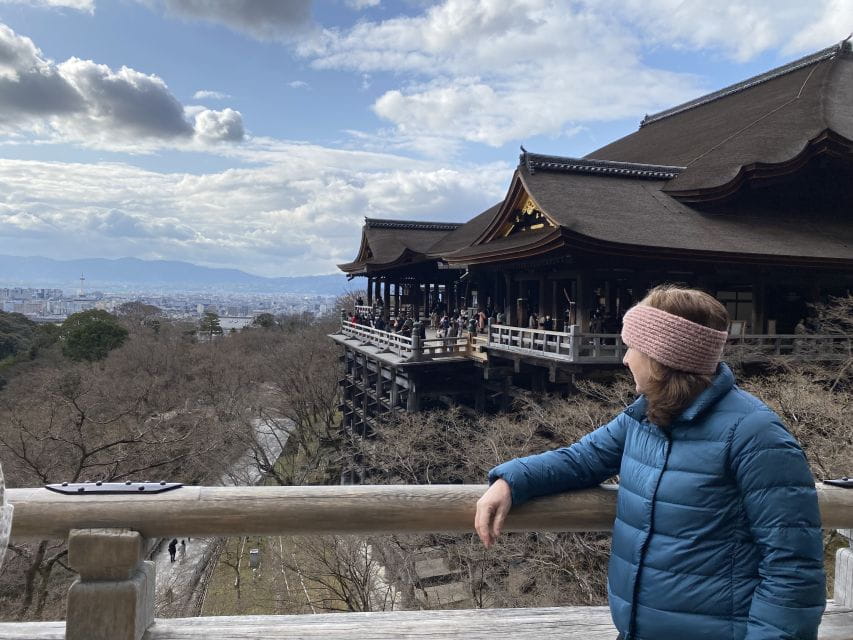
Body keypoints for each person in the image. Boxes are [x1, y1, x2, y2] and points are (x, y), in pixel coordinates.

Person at [475, 285, 825, 640]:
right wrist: (510, 480)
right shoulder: (644, 416)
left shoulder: (755, 434)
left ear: (662, 356)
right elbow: (582, 459)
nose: (626, 358)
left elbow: (792, 568)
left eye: (634, 347)